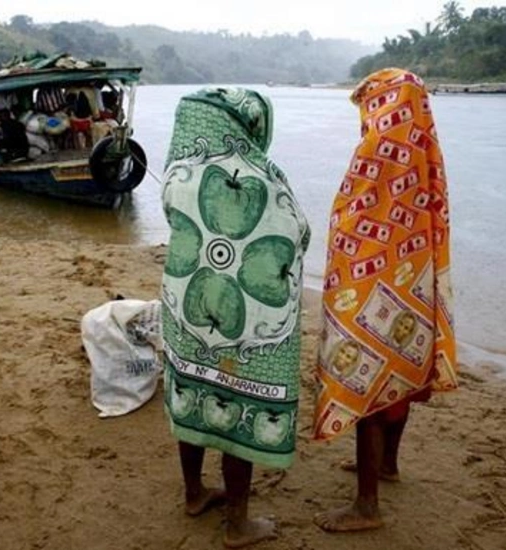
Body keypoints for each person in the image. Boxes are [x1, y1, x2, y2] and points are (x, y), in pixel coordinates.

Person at [160, 87, 309, 548]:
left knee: (191, 390)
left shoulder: (177, 174)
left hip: (186, 307)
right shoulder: (263, 178)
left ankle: (194, 492)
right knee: (235, 405)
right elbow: (295, 233)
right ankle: (239, 525)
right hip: (237, 320)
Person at [312, 68, 458, 532]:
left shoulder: (375, 150)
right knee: (400, 368)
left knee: (368, 381)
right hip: (416, 274)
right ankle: (388, 463)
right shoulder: (424, 147)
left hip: (375, 279)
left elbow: (353, 217)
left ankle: (367, 505)